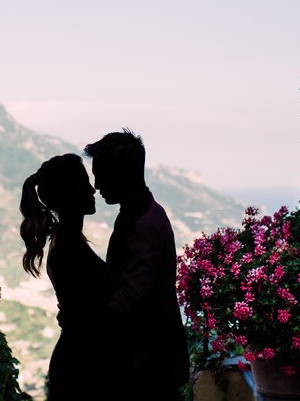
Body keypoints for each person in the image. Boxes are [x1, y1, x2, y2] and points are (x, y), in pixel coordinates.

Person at [84, 129, 190, 401]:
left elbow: (131, 295)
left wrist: (88, 328)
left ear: (120, 174)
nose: (96, 185)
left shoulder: (143, 224)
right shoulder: (143, 214)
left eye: (100, 174)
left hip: (149, 362)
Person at [19, 154, 110, 400]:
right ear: (69, 192)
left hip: (77, 359)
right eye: (84, 183)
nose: (92, 189)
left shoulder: (65, 241)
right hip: (82, 367)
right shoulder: (70, 247)